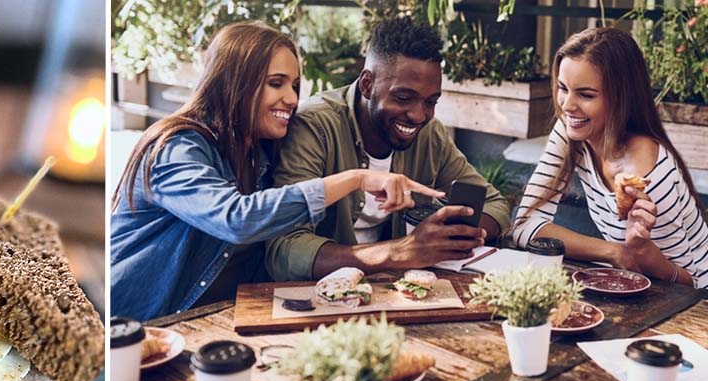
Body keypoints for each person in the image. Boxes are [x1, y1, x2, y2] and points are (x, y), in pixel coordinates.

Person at [110, 21, 441, 322]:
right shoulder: (175, 148)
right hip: (135, 328)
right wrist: (357, 177)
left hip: (217, 321)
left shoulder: (260, 154)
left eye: (295, 85)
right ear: (234, 83)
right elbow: (237, 219)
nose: (292, 98)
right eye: (276, 84)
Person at [266, 17, 512, 281]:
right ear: (367, 85)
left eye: (431, 101)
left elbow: (494, 204)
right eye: (403, 98)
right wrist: (398, 252)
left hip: (396, 293)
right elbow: (283, 249)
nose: (418, 115)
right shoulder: (314, 127)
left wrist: (453, 237)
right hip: (315, 299)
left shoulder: (430, 135)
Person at [505, 27, 708, 286]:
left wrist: (644, 251)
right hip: (633, 289)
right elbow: (524, 226)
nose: (567, 105)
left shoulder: (652, 177)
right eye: (563, 88)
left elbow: (688, 285)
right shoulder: (571, 133)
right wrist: (612, 251)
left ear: (622, 98)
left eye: (586, 95)